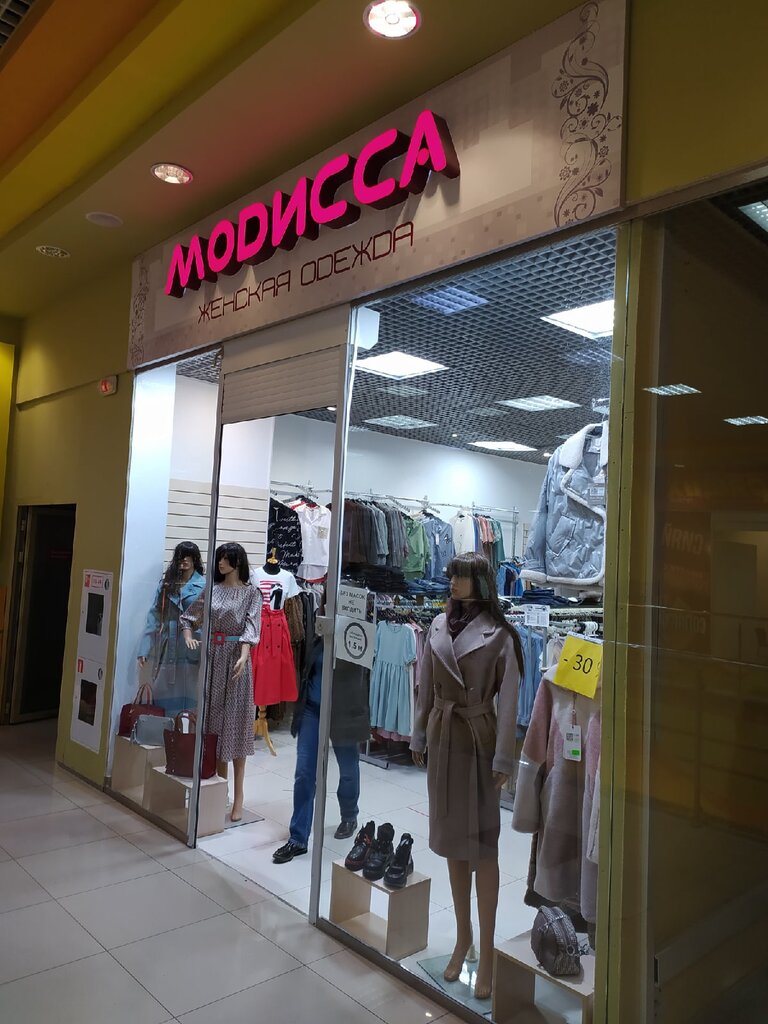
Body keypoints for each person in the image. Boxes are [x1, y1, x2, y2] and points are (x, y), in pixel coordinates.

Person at [411, 552, 523, 1000]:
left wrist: (504, 760)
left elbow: (509, 701)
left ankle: (489, 952)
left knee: (483, 847)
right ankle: (463, 938)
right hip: (443, 738)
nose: (453, 582)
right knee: (453, 843)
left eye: (461, 576)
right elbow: (424, 687)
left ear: (481, 581)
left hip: (478, 742)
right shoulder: (438, 625)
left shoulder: (502, 635)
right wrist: (419, 735)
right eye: (451, 575)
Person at [273, 605, 370, 863]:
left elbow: (361, 672)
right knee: (305, 771)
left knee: (348, 769)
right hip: (313, 710)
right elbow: (308, 670)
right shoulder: (320, 626)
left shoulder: (356, 630)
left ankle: (349, 815)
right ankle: (298, 837)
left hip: (343, 711)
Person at [181, 542, 262, 822]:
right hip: (212, 658)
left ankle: (238, 795)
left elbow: (252, 626)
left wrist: (244, 654)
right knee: (213, 724)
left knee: (236, 724)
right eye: (219, 559)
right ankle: (220, 790)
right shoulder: (212, 589)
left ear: (238, 562)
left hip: (236, 660)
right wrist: (188, 635)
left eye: (226, 559)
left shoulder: (251, 593)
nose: (221, 564)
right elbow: (189, 616)